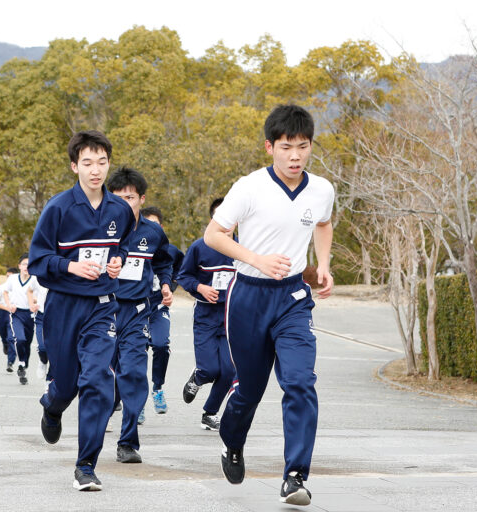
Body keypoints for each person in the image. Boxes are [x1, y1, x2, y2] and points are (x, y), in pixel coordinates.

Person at [203, 104, 334, 506]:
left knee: (299, 382)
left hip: (293, 298)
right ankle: (232, 441)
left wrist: (323, 265)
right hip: (249, 296)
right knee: (251, 389)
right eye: (286, 147)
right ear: (269, 146)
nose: (295, 156)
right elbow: (213, 235)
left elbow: (324, 224)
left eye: (303, 146)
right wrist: (256, 259)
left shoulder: (322, 189)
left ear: (311, 146)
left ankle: (295, 476)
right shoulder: (249, 187)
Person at [28, 130, 134, 491]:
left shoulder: (120, 209)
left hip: (103, 305)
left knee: (98, 381)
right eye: (87, 163)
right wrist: (70, 267)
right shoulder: (58, 208)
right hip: (63, 306)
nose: (95, 170)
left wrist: (117, 261)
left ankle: (86, 465)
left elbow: (122, 247)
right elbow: (38, 261)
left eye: (102, 162)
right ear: (75, 165)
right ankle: (53, 405)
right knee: (68, 384)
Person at [107, 167, 173, 463]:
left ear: (141, 199)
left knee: (134, 374)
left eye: (130, 197)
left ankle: (127, 443)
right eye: (118, 197)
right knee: (97, 379)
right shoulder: (98, 230)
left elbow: (163, 262)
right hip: (101, 311)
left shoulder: (152, 232)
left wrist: (167, 284)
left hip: (136, 312)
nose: (124, 203)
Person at [176, 198, 236, 432]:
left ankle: (210, 413)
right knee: (211, 369)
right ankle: (198, 377)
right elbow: (184, 276)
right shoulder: (200, 247)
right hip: (206, 315)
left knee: (230, 371)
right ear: (214, 220)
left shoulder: (244, 248)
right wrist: (200, 288)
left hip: (232, 317)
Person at [140, 206, 184, 416]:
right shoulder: (135, 247)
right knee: (136, 351)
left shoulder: (170, 250)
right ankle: (135, 399)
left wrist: (171, 286)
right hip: (136, 307)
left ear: (161, 227)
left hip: (158, 306)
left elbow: (181, 268)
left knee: (160, 344)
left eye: (155, 224)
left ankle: (157, 388)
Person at [1, 253, 39, 385]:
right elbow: (5, 292)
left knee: (27, 343)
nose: (26, 267)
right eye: (24, 264)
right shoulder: (12, 279)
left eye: (29, 265)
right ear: (19, 266)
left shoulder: (35, 279)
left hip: (29, 315)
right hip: (16, 313)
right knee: (20, 338)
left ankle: (24, 364)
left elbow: (38, 297)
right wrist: (9, 304)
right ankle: (21, 363)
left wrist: (35, 303)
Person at [0, 267, 17, 370]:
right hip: (2, 313)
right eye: (7, 276)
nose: (9, 278)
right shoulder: (2, 288)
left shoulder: (18, 288)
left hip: (14, 314)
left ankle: (10, 361)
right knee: (3, 335)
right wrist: (7, 308)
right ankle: (5, 344)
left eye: (11, 276)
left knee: (11, 338)